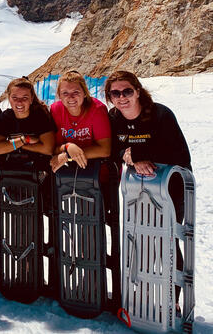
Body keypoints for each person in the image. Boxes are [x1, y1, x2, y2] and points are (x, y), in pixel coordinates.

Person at [105, 70, 191, 311]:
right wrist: (126, 155)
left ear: (138, 91)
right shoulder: (114, 118)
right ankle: (142, 294)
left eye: (127, 91)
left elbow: (180, 155)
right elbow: (113, 150)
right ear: (110, 97)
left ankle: (171, 301)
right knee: (140, 240)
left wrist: (140, 155)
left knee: (167, 241)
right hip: (139, 190)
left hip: (170, 188)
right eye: (115, 93)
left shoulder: (161, 115)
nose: (122, 97)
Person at [49, 70, 111, 172]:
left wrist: (68, 156)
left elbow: (105, 150)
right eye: (65, 93)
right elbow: (53, 148)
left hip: (94, 166)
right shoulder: (55, 110)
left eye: (76, 92)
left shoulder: (97, 109)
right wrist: (68, 147)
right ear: (59, 96)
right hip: (66, 169)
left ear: (85, 93)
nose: (71, 97)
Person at [0, 77, 55, 157]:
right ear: (9, 98)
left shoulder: (40, 116)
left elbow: (48, 149)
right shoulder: (6, 117)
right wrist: (24, 139)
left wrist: (14, 144)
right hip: (11, 167)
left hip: (37, 166)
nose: (19, 102)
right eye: (14, 97)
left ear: (31, 99)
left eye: (24, 98)